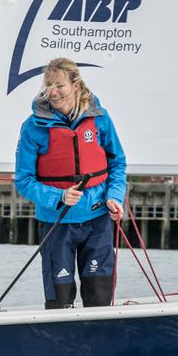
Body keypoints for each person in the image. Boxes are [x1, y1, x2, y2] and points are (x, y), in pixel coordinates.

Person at [15, 58, 127, 309]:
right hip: (57, 223)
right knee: (60, 301)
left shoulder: (100, 118)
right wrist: (58, 196)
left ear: (76, 85)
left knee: (99, 298)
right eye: (47, 85)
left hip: (97, 220)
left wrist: (115, 197)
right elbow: (23, 181)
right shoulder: (33, 127)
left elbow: (117, 163)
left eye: (59, 85)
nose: (52, 92)